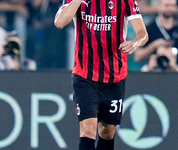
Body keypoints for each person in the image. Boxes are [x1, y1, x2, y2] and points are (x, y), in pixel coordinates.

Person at [54, 0, 148, 149]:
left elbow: (143, 33)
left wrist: (135, 42)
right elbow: (59, 22)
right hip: (85, 74)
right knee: (88, 129)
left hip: (114, 75)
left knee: (107, 132)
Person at [134, 0, 178, 73]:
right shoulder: (149, 29)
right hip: (156, 72)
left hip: (177, 72)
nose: (170, 9)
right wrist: (155, 45)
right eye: (166, 5)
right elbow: (138, 57)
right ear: (159, 6)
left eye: (173, 6)